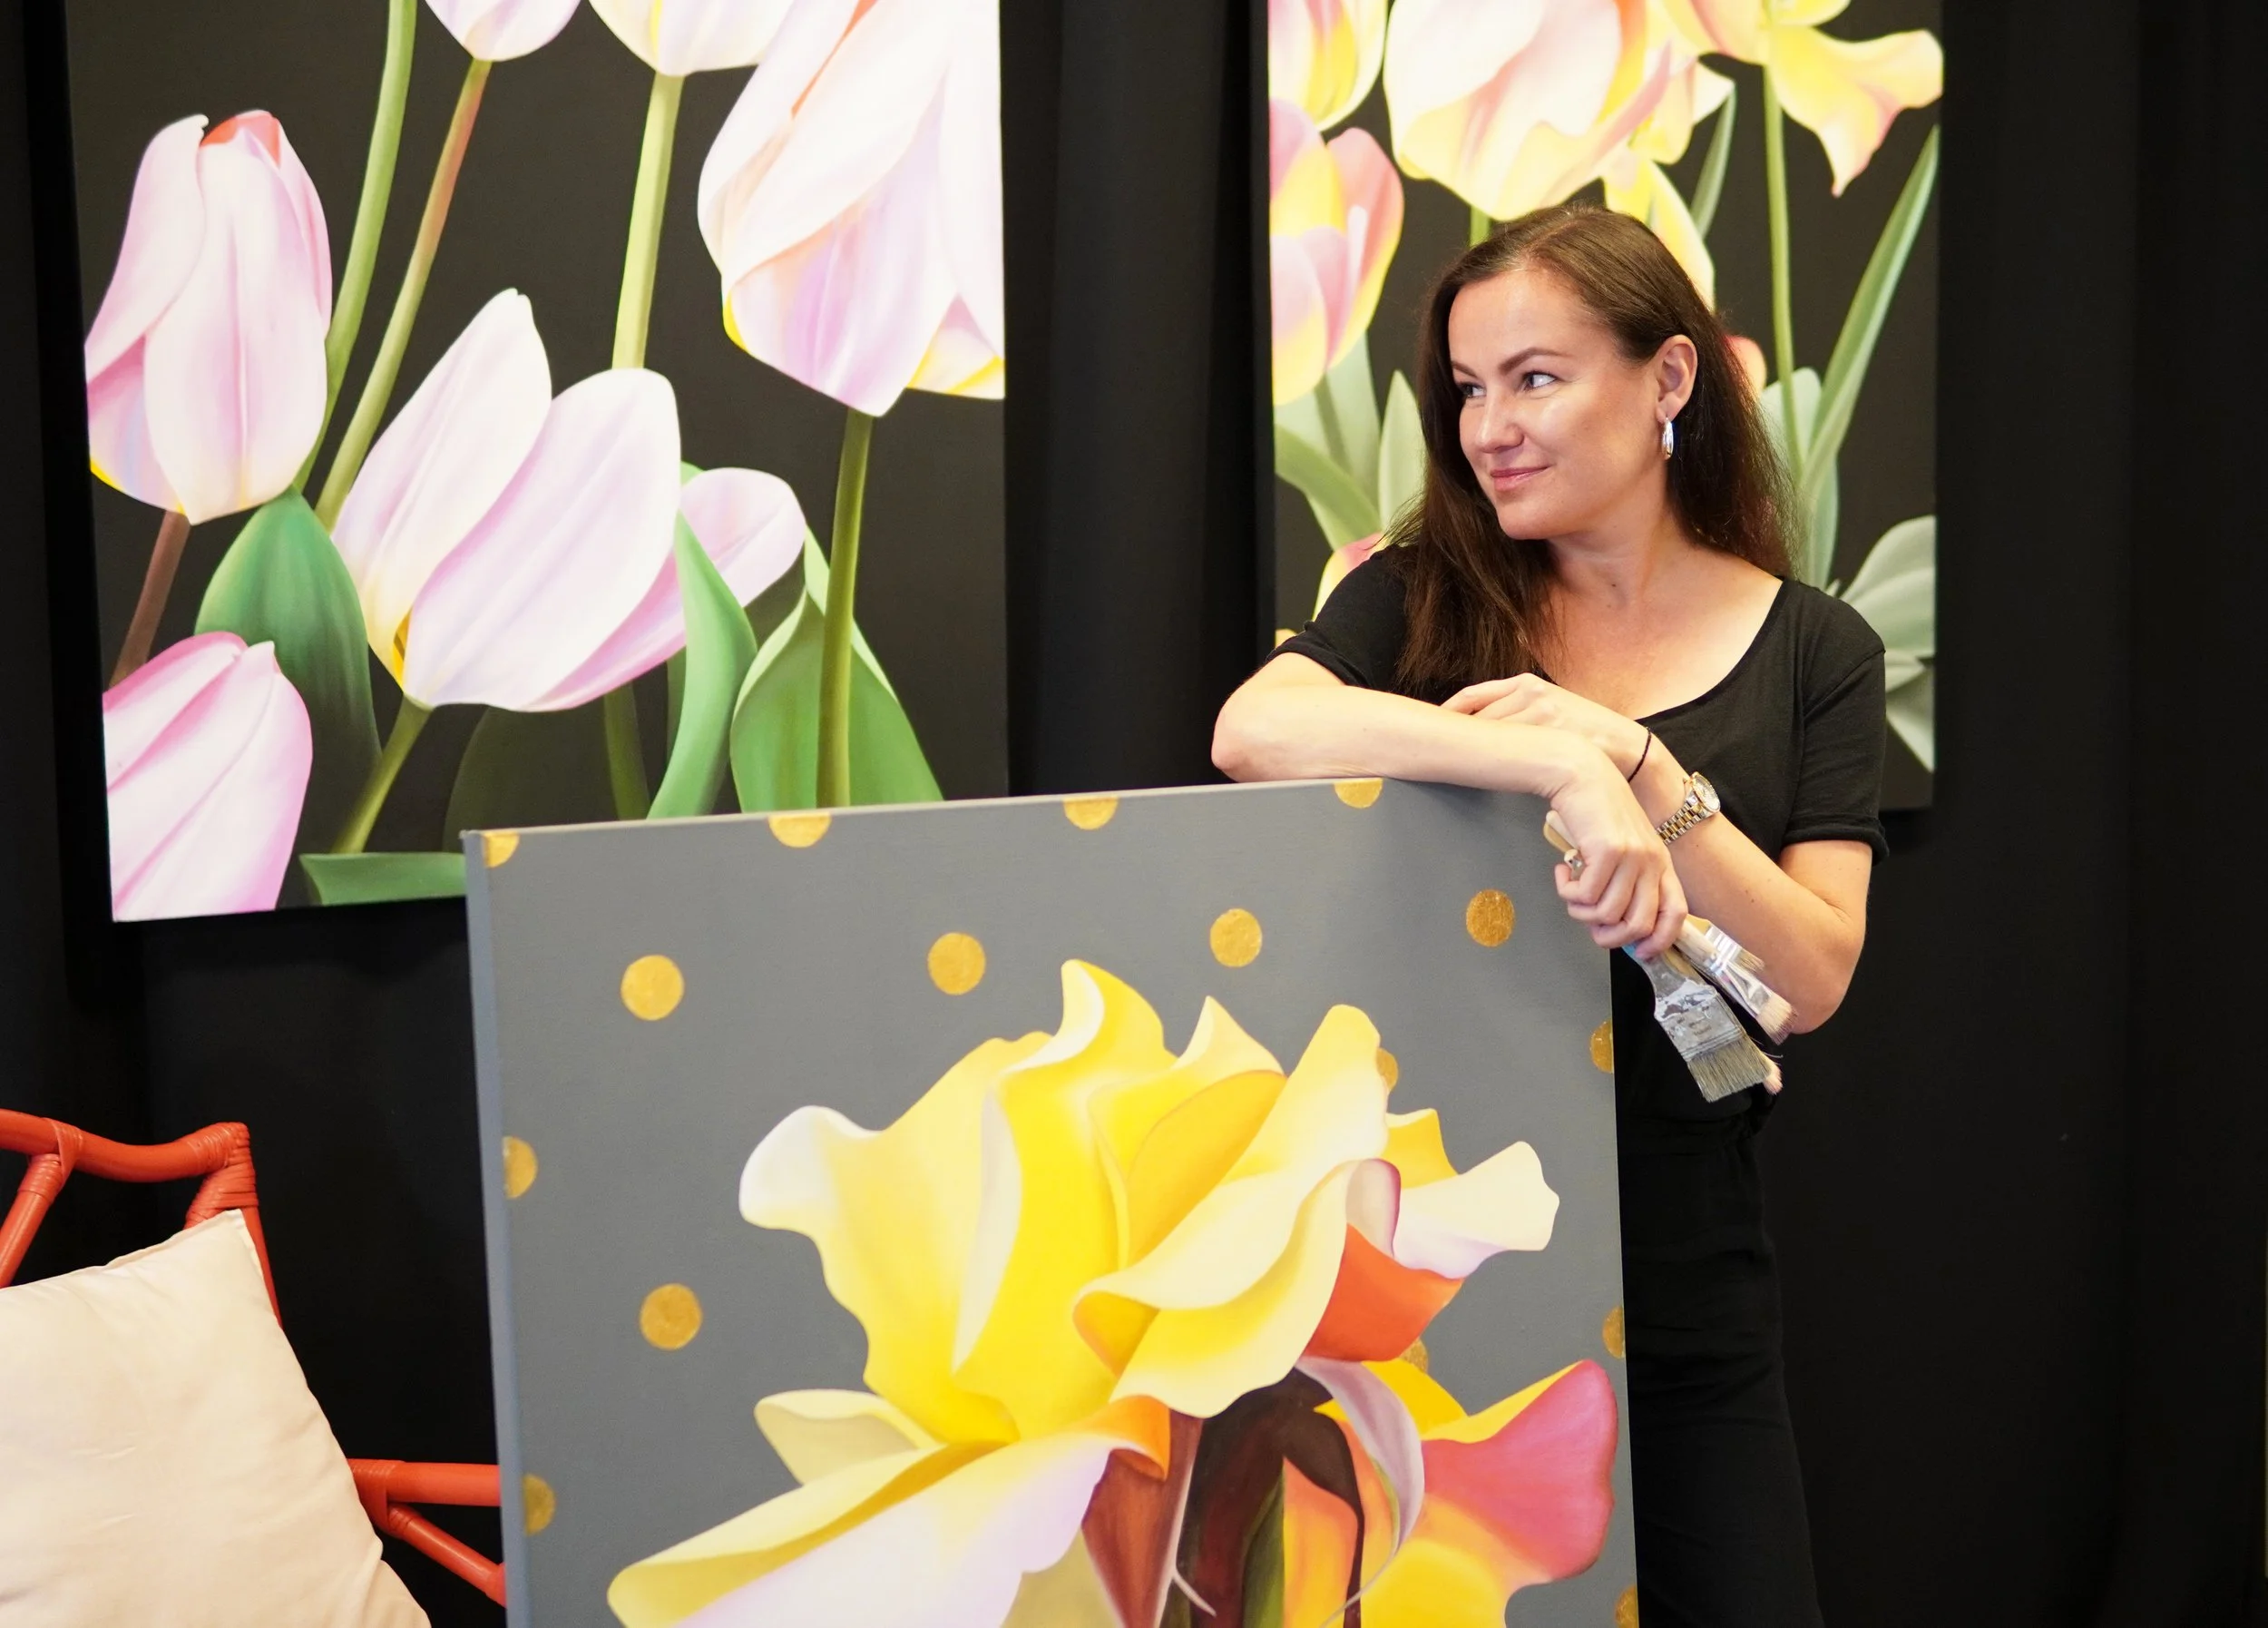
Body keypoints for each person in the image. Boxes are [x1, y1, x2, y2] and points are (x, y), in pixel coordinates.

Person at [1213, 203, 1886, 1627]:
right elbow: (1253, 730)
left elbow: (1812, 971)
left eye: (1535, 378)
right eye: (1466, 389)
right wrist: (1555, 760)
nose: (1489, 428)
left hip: (1689, 1251)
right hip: (1429, 1243)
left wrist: (1645, 768)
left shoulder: (1817, 648)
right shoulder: (1416, 593)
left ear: (1669, 382)